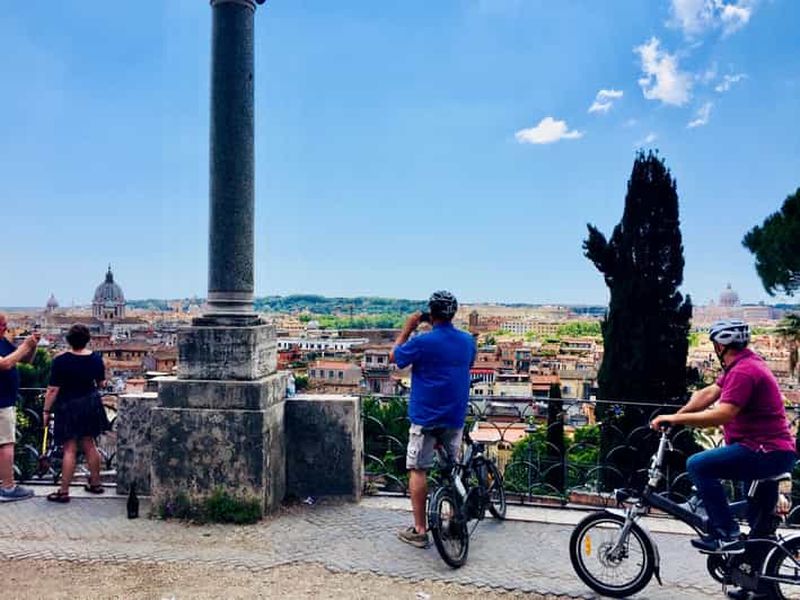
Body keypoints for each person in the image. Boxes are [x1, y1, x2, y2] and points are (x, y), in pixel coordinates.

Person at [651, 319, 796, 559]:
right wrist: (675, 417)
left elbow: (724, 413)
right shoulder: (743, 365)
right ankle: (757, 585)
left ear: (719, 347)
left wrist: (675, 420)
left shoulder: (744, 371)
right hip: (768, 451)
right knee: (758, 521)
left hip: (763, 451)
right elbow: (708, 393)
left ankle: (725, 534)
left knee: (698, 464)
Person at [390, 291, 476, 548]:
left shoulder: (422, 341)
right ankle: (454, 522)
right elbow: (468, 365)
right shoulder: (468, 341)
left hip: (425, 416)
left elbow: (395, 358)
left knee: (418, 469)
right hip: (454, 415)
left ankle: (419, 529)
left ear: (431, 313)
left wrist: (408, 329)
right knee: (453, 468)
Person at [42, 324, 110, 503]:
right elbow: (102, 383)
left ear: (68, 340)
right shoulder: (96, 359)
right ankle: (96, 484)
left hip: (69, 405)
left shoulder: (60, 361)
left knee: (70, 448)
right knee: (89, 444)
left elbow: (53, 390)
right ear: (87, 340)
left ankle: (64, 491)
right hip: (90, 403)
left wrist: (46, 410)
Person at [0, 314, 40, 502]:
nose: (4, 329)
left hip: (6, 401)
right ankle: (8, 488)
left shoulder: (3, 342)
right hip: (1, 403)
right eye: (1, 325)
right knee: (6, 444)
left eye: (5, 325)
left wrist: (32, 346)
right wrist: (25, 346)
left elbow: (26, 361)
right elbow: (5, 364)